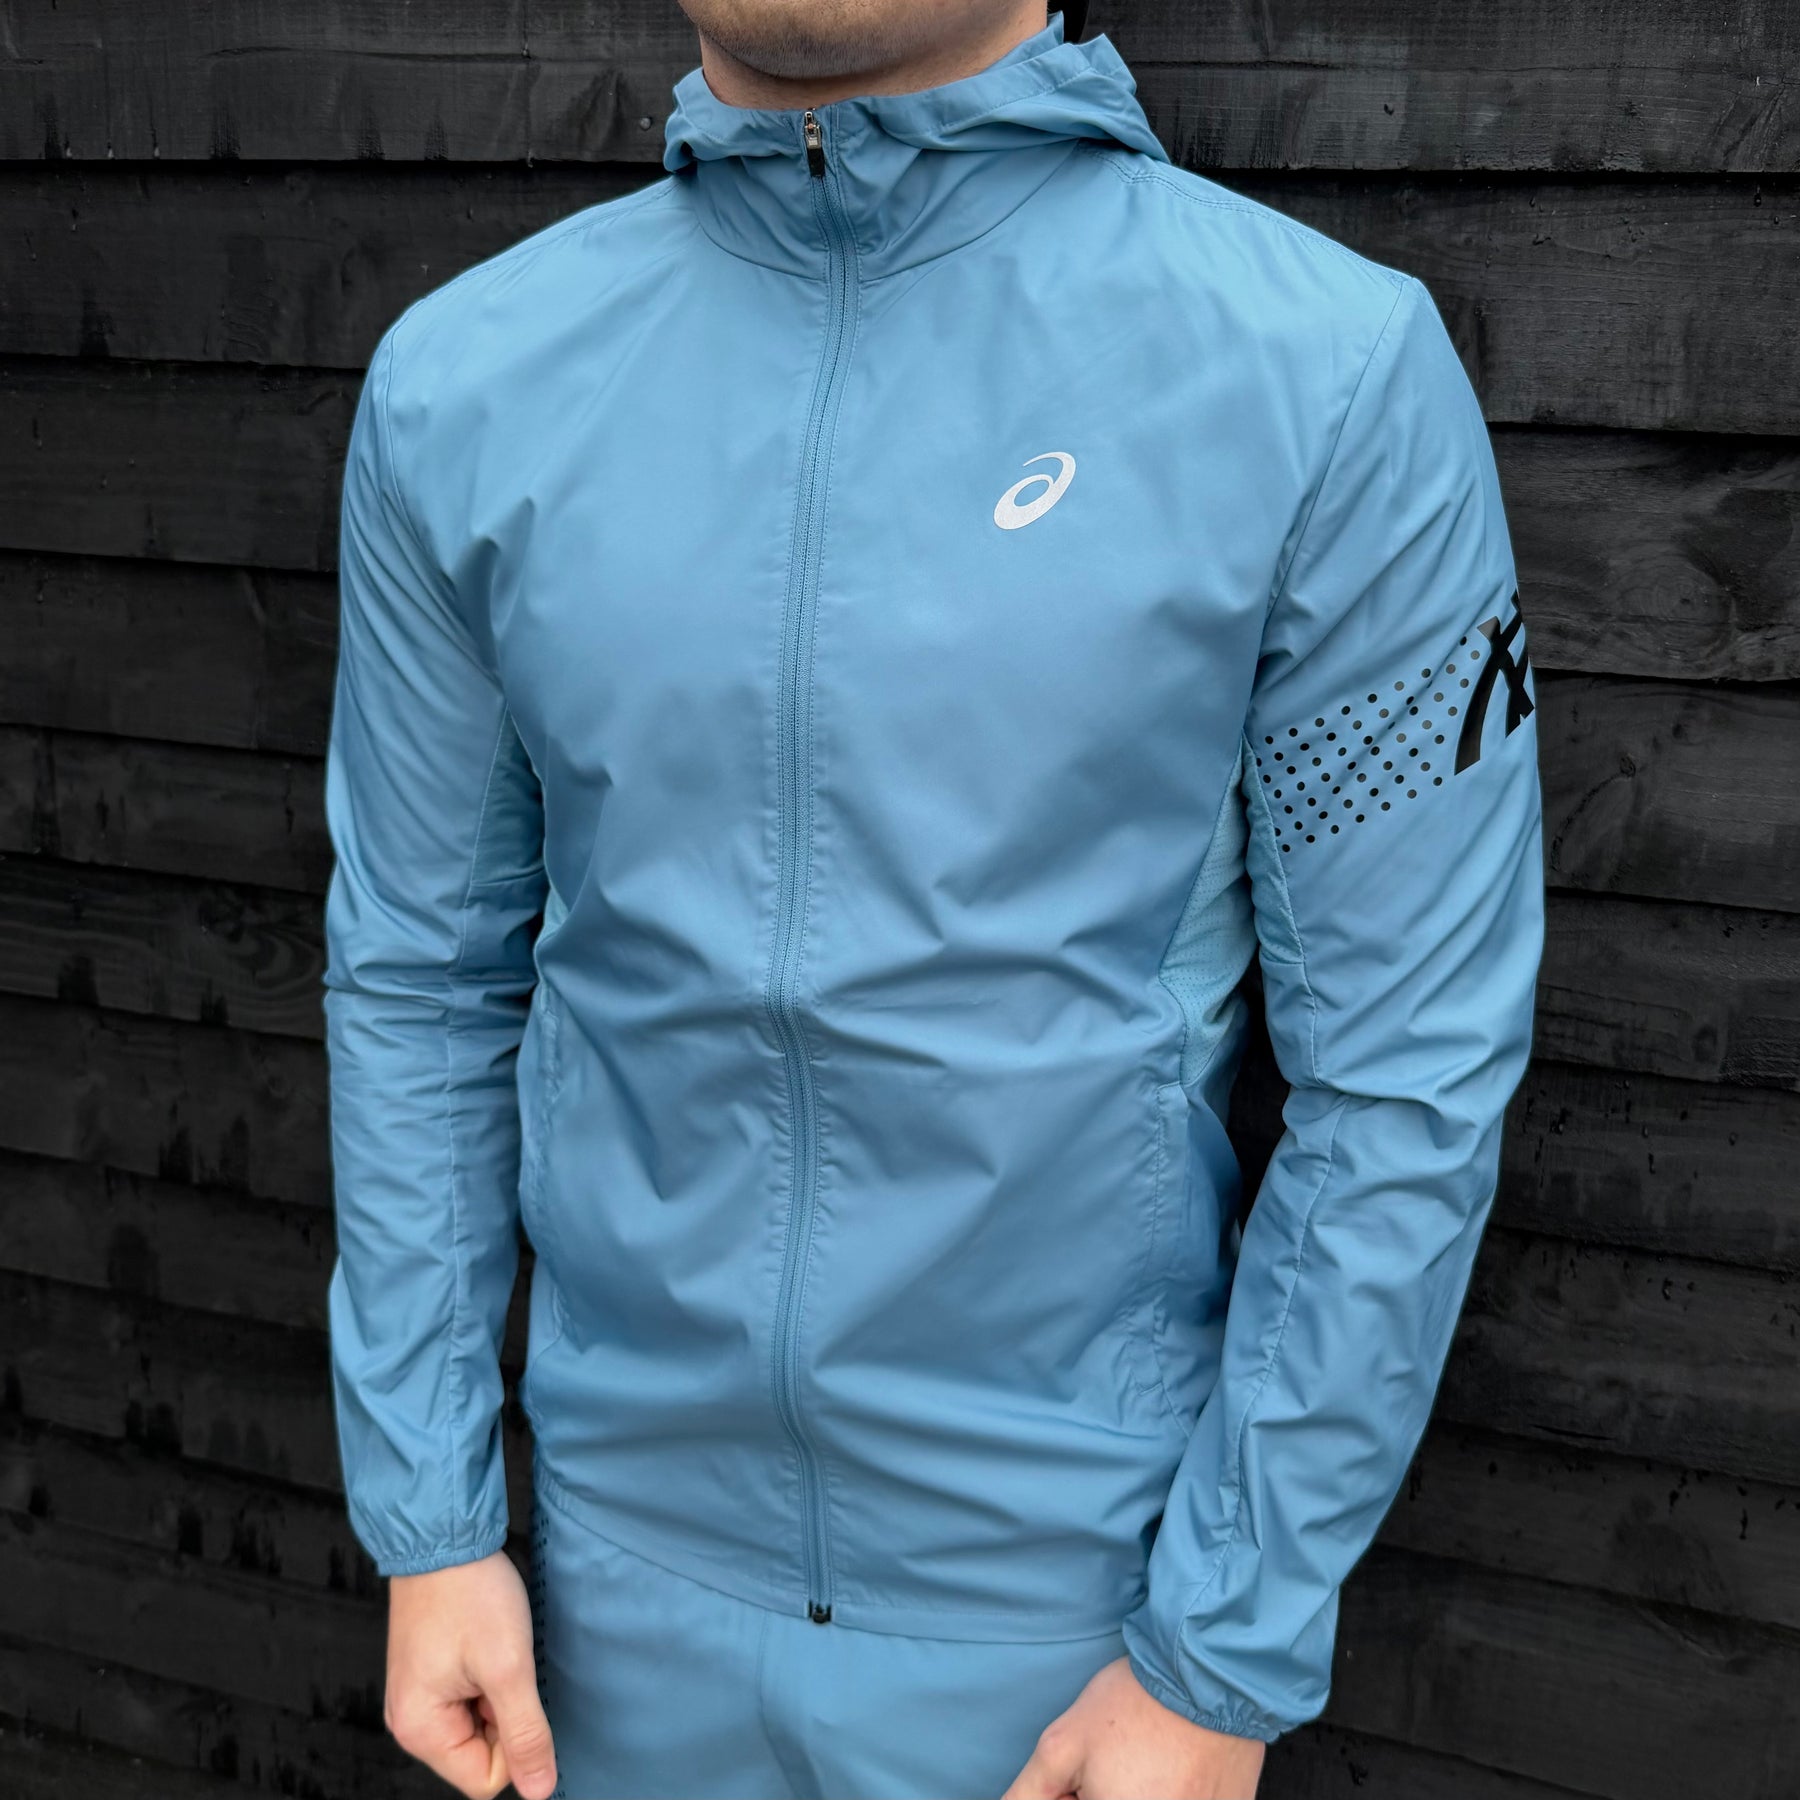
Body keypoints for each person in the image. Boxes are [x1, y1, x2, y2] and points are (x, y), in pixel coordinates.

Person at [319, 2, 1545, 1795]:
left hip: (1066, 1646)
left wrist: (1218, 1657)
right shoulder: (466, 383)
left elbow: (1408, 1071)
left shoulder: (1323, 375)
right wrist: (430, 1512)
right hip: (600, 1617)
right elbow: (418, 979)